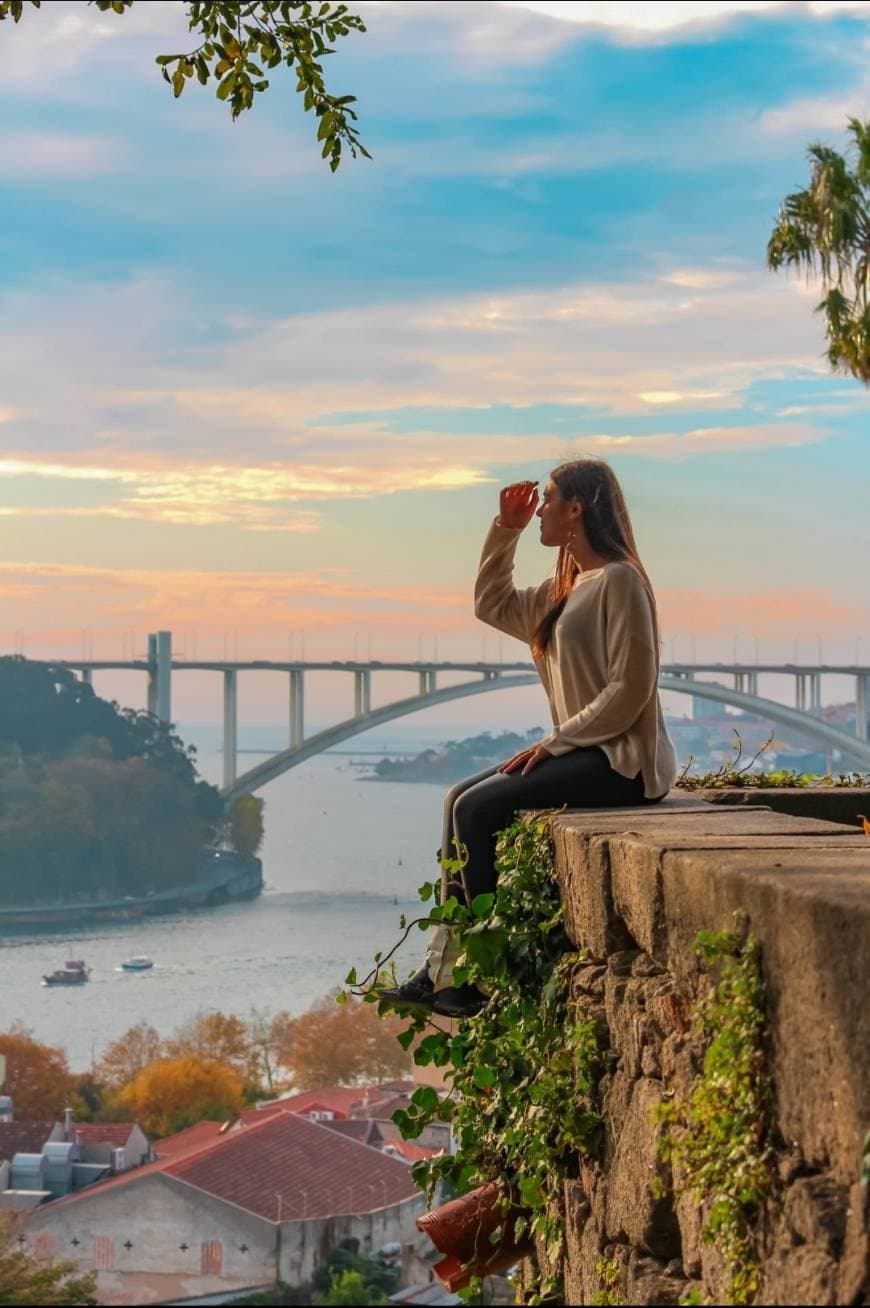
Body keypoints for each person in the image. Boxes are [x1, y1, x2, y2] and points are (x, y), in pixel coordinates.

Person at [379, 457, 679, 1019]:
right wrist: (506, 531)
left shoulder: (621, 581)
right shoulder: (563, 588)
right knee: (456, 800)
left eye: (548, 500)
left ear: (576, 509)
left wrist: (558, 740)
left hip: (622, 764)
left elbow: (631, 687)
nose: (540, 508)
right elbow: (491, 604)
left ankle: (476, 977)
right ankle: (443, 971)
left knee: (476, 810)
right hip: (582, 750)